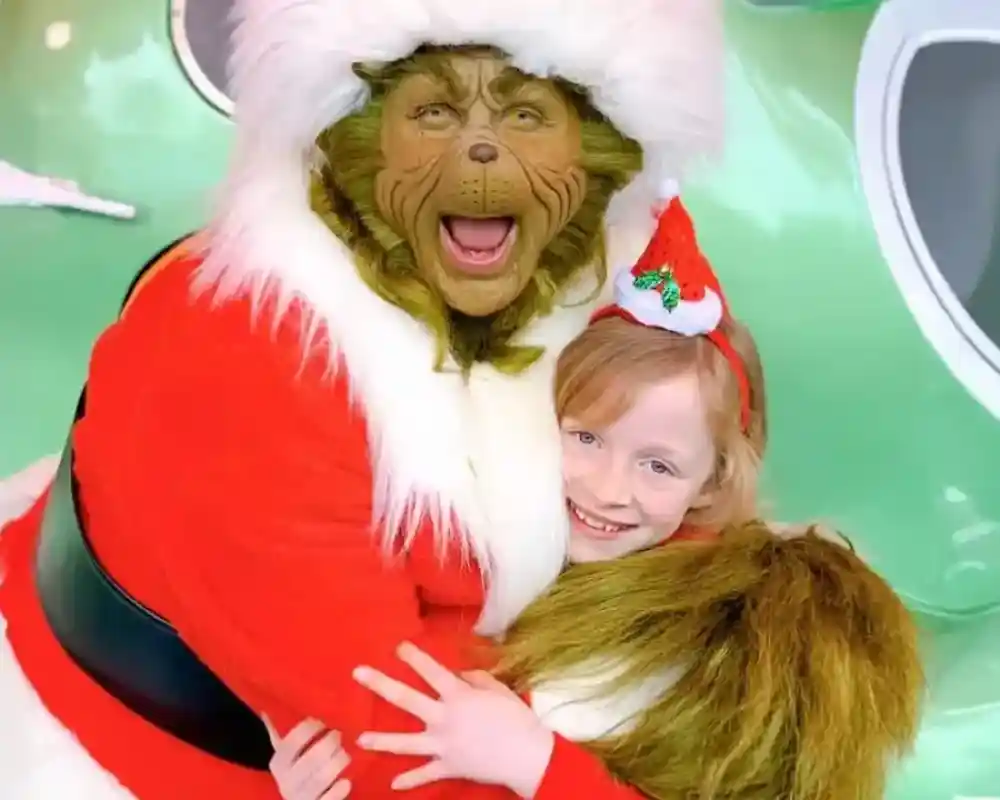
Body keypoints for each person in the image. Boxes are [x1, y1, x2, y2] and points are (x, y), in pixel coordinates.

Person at [0, 1, 726, 798]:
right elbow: (390, 741)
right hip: (215, 752)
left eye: (526, 113)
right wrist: (557, 771)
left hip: (492, 683)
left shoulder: (622, 234)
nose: (482, 158)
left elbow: (707, 424)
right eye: (435, 112)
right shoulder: (252, 358)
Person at [267, 201, 924, 800]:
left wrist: (536, 764)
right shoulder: (501, 548)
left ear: (714, 480)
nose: (610, 490)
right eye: (585, 437)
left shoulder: (724, 638)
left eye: (658, 465)